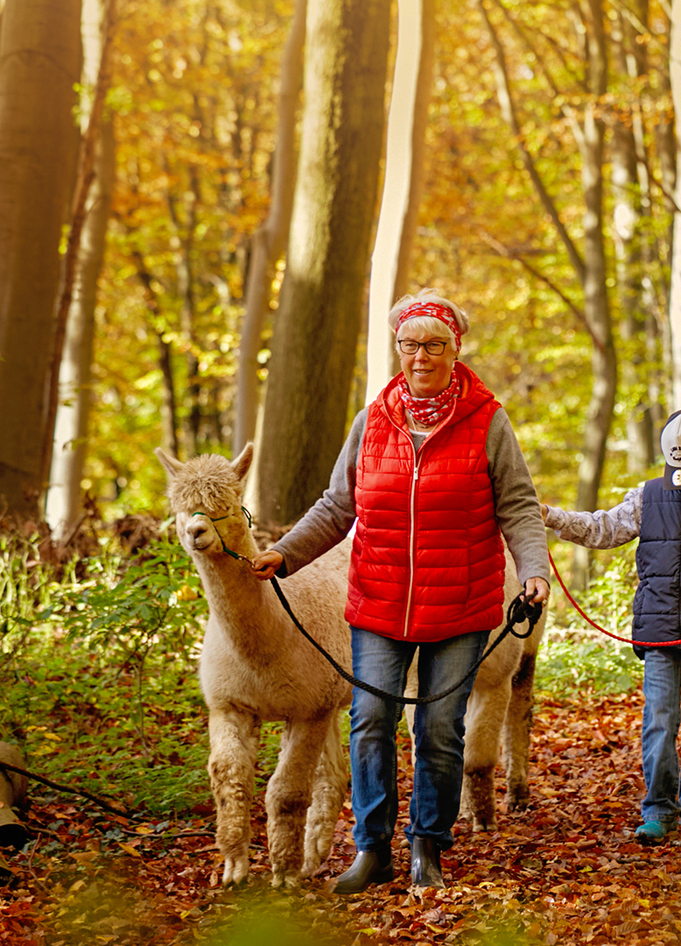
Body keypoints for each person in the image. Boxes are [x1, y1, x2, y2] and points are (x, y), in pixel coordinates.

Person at [250, 290, 550, 892]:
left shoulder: (487, 421)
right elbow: (338, 505)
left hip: (462, 604)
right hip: (379, 602)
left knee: (440, 727)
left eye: (434, 345)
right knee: (370, 721)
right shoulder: (373, 420)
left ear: (454, 349)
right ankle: (372, 849)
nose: (421, 355)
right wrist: (285, 554)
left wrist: (534, 567)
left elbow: (518, 504)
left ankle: (427, 849)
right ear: (398, 348)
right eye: (411, 344)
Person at [542, 409, 681, 844]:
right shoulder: (648, 496)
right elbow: (603, 528)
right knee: (659, 722)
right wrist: (552, 517)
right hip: (659, 632)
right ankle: (658, 809)